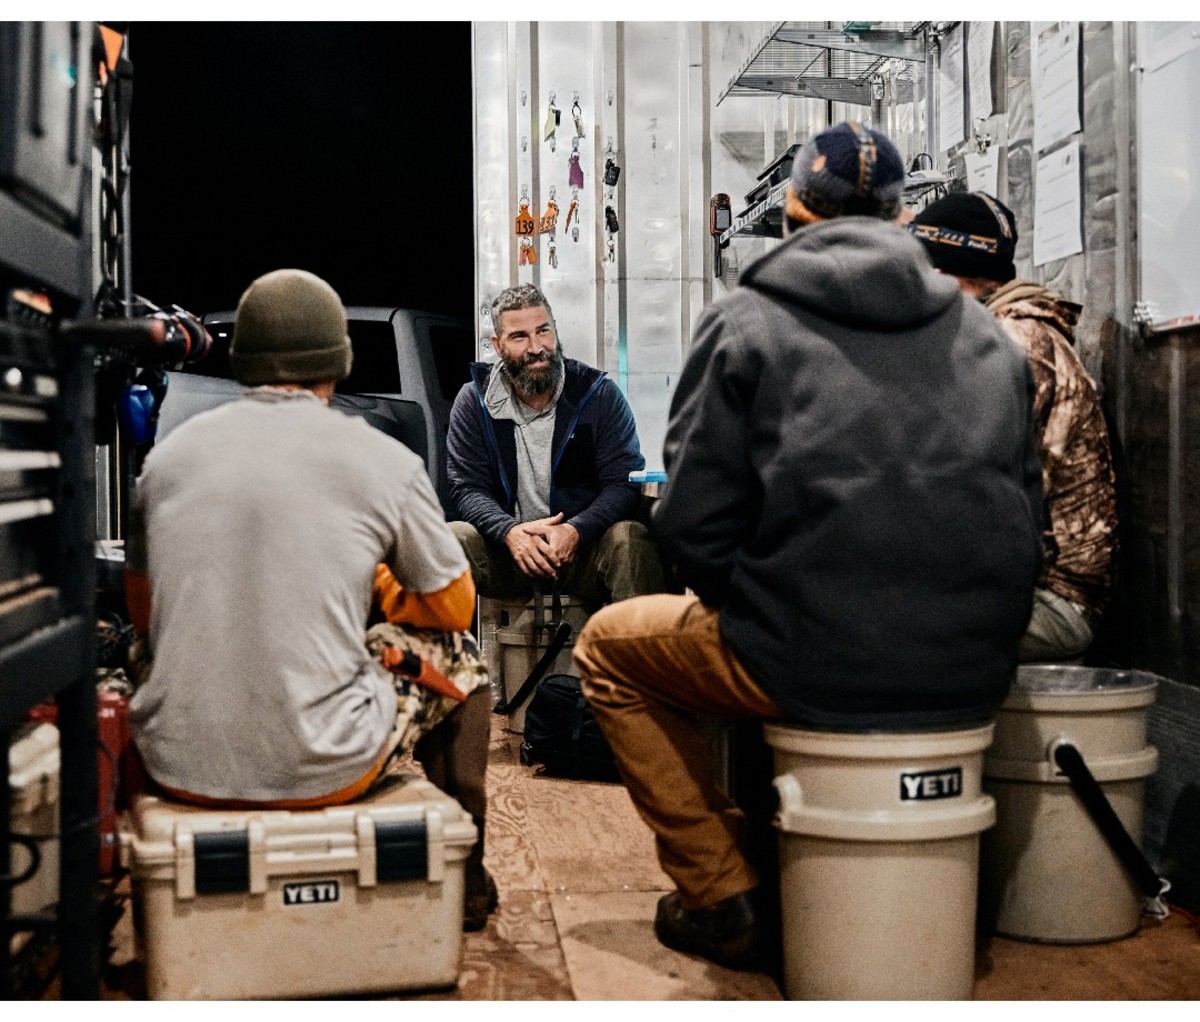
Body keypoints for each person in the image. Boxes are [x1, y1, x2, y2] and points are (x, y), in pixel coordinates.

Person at [573, 123, 1044, 971]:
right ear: (902, 218)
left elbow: (688, 523)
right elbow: (1025, 520)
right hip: (975, 667)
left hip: (809, 660)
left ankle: (724, 895)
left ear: (792, 212)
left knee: (608, 650)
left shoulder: (747, 320)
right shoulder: (990, 340)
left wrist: (757, 602)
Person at [124, 268, 498, 929]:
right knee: (461, 661)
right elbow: (451, 608)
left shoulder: (167, 457)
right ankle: (465, 878)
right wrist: (378, 583)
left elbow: (147, 620)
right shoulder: (381, 460)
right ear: (339, 360)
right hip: (327, 765)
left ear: (240, 360)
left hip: (174, 762)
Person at [910, 191, 1118, 661]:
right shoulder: (991, 335)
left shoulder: (1014, 343)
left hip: (1053, 602)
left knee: (856, 629)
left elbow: (974, 498)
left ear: (943, 274)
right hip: (1015, 585)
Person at [446, 283, 669, 606]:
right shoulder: (474, 401)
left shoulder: (598, 395)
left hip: (582, 550)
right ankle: (443, 656)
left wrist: (576, 530)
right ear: (497, 345)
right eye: (520, 337)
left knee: (630, 539)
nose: (537, 347)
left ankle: (635, 653)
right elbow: (467, 488)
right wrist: (509, 532)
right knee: (450, 541)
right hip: (509, 552)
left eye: (543, 331)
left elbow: (622, 484)